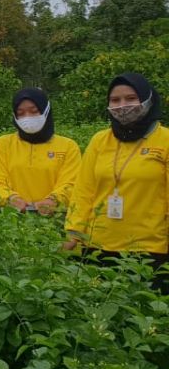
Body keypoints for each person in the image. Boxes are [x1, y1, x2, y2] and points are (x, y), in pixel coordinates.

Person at [64, 73, 169, 288]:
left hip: (149, 250)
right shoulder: (100, 140)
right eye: (115, 100)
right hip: (97, 246)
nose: (122, 106)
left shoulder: (165, 141)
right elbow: (84, 190)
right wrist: (74, 232)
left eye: (131, 98)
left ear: (148, 99)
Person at [0, 88, 80, 215]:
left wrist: (53, 200)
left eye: (34, 111)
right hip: (11, 221)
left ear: (46, 110)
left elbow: (71, 184)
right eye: (21, 113)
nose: (27, 117)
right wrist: (10, 198)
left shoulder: (68, 146)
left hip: (55, 221)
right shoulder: (3, 145)